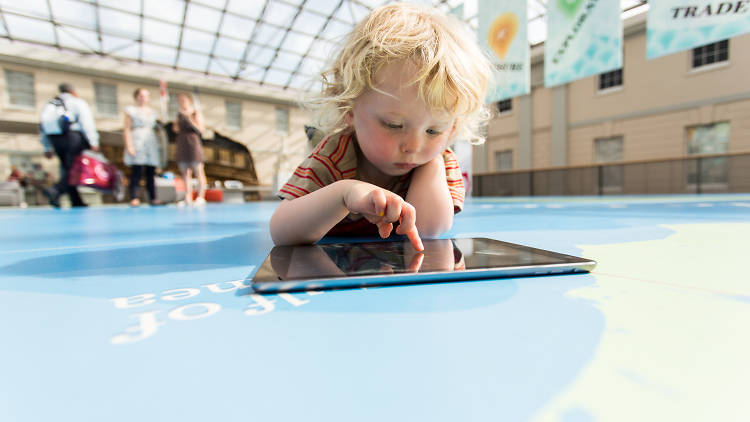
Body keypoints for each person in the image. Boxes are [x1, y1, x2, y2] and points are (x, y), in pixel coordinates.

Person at [269, 3, 491, 251]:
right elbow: (281, 230)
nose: (414, 146)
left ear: (452, 128)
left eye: (434, 131)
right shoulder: (337, 155)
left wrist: (432, 165)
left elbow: (429, 229)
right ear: (349, 109)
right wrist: (345, 194)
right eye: (394, 125)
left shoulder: (438, 159)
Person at [40, 82, 100, 208]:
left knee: (66, 168)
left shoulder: (52, 103)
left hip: (55, 138)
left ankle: (75, 200)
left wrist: (46, 146)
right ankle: (56, 190)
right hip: (73, 137)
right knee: (73, 169)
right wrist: (93, 141)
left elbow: (43, 125)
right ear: (73, 91)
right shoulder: (77, 102)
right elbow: (86, 122)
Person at [123, 88, 163, 206]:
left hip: (150, 141)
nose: (144, 98)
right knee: (137, 171)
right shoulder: (131, 111)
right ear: (136, 97)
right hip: (137, 140)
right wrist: (129, 145)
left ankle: (153, 197)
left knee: (151, 171)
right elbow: (126, 129)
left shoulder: (153, 112)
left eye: (146, 96)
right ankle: (134, 197)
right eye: (141, 96)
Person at [172, 93, 206, 206]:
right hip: (182, 142)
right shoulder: (178, 114)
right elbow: (175, 129)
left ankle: (201, 196)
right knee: (185, 172)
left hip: (193, 142)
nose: (181, 102)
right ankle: (188, 197)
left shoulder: (195, 113)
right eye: (180, 100)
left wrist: (190, 119)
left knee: (198, 170)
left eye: (184, 100)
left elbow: (201, 129)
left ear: (189, 101)